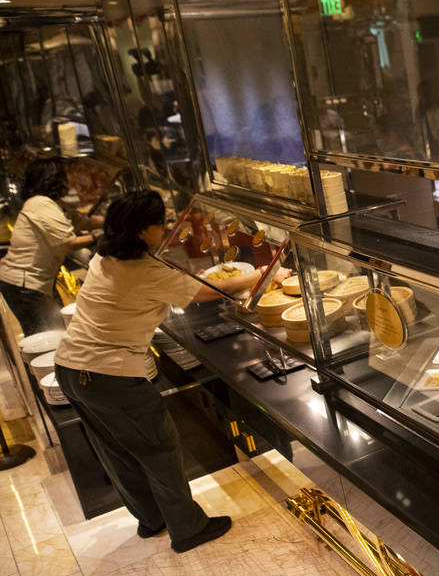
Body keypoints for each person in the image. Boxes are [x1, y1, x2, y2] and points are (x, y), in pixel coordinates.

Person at [54, 190, 274, 553]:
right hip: (111, 376)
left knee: (119, 450)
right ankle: (188, 528)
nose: (165, 229)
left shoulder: (105, 257)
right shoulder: (144, 271)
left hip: (71, 369)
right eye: (160, 224)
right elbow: (206, 293)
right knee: (159, 448)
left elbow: (171, 285)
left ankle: (151, 518)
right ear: (142, 231)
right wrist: (261, 275)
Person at [0, 157, 98, 335]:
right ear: (54, 179)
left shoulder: (53, 204)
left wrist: (116, 218)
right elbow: (68, 243)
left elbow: (84, 222)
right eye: (65, 175)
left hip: (28, 284)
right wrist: (99, 235)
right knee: (47, 335)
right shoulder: (41, 204)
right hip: (24, 286)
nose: (69, 181)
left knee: (53, 330)